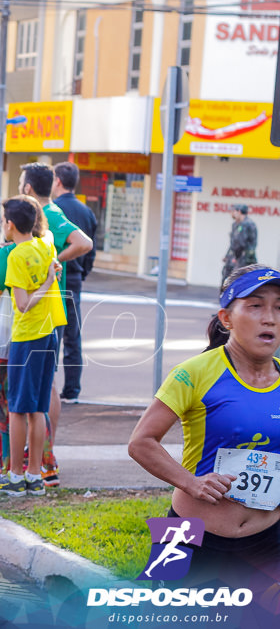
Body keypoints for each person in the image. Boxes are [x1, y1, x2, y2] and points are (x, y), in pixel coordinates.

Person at [129, 264, 280, 618]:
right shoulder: (194, 373)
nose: (269, 318)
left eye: (279, 307)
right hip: (188, 534)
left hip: (268, 537)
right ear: (226, 318)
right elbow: (141, 441)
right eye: (255, 306)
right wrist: (191, 482)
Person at [0, 196, 65, 496]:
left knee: (17, 409)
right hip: (49, 338)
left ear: (11, 225)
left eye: (4, 221)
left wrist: (44, 284)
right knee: (38, 409)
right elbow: (50, 243)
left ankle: (15, 476)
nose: (3, 225)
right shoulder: (46, 246)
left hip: (26, 338)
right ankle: (35, 476)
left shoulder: (17, 257)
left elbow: (23, 303)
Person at [18, 162, 92, 481]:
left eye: (21, 182)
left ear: (28, 188)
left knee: (46, 382)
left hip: (47, 309)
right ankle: (41, 452)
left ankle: (44, 453)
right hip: (42, 307)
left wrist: (54, 260)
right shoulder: (39, 215)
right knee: (44, 381)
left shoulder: (51, 214)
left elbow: (84, 243)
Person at [52, 162, 98, 404]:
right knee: (73, 334)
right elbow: (92, 250)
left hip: (55, 276)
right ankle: (72, 390)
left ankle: (49, 385)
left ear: (58, 181)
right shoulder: (86, 211)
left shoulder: (51, 210)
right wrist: (82, 272)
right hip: (75, 278)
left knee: (51, 333)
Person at [222, 204, 257, 288]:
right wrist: (227, 255)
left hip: (244, 258)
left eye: (233, 211)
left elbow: (242, 244)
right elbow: (233, 243)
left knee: (238, 280)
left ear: (239, 212)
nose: (232, 213)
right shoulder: (236, 224)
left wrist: (236, 258)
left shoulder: (248, 224)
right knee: (227, 277)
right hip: (235, 257)